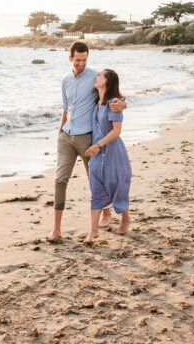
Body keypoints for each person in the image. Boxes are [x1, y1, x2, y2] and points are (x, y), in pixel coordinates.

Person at [45, 42, 126, 242]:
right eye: (78, 60)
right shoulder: (65, 80)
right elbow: (65, 108)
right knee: (60, 180)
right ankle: (56, 229)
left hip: (86, 138)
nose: (81, 63)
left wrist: (124, 103)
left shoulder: (95, 77)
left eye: (84, 60)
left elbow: (113, 94)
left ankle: (107, 212)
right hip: (66, 136)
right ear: (70, 58)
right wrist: (59, 132)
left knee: (96, 179)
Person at [84, 69, 132, 239]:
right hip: (97, 156)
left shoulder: (113, 104)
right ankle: (93, 231)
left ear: (107, 82)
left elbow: (116, 131)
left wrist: (98, 145)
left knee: (118, 187)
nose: (96, 77)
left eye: (100, 76)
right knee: (96, 189)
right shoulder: (95, 103)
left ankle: (125, 219)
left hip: (113, 153)